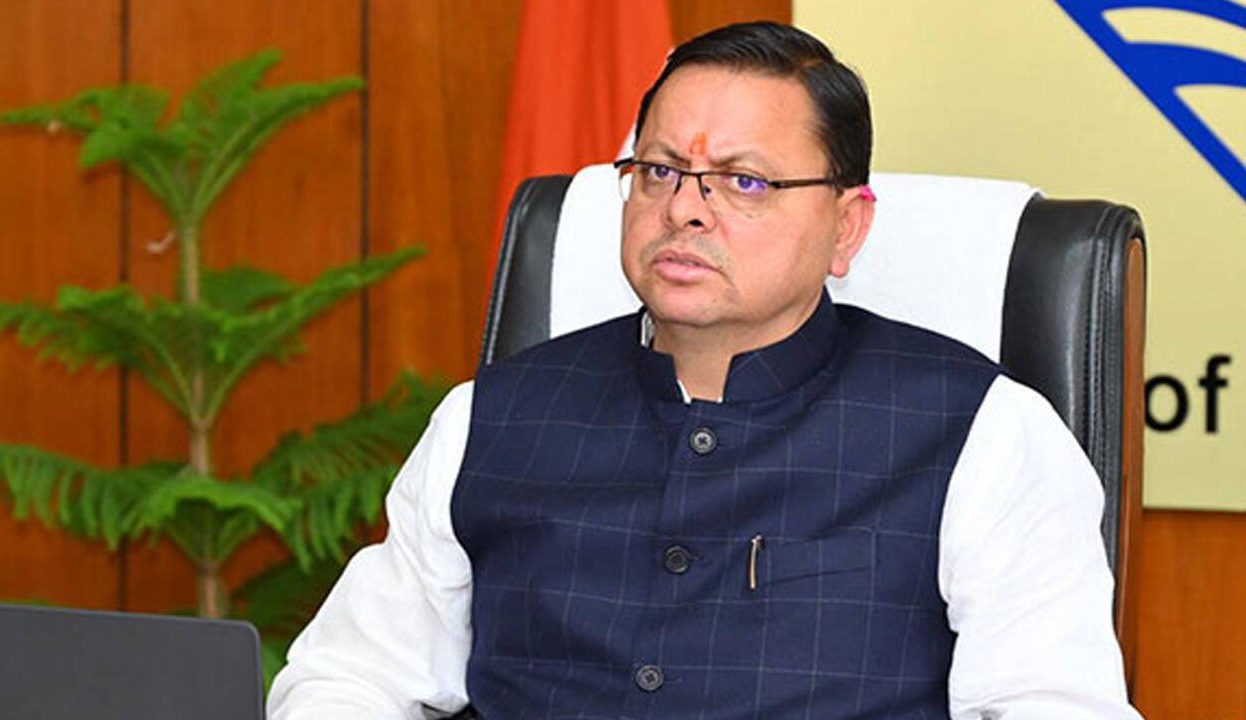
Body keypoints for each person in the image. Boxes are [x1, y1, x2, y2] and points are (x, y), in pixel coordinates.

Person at [268, 21, 1141, 719]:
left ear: (846, 228)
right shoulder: (487, 419)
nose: (684, 208)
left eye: (743, 181)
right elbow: (346, 680)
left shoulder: (984, 435)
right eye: (659, 170)